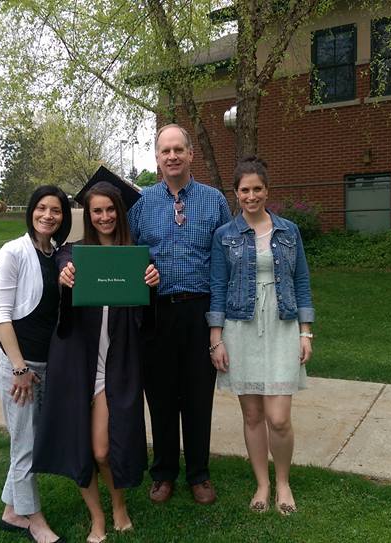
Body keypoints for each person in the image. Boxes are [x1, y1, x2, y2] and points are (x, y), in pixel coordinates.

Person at [33, 181, 159, 543]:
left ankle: (119, 506)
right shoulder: (72, 255)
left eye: (110, 209)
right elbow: (63, 304)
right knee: (79, 445)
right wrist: (65, 280)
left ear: (120, 212)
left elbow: (146, 326)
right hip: (75, 365)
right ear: (88, 216)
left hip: (112, 366)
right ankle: (98, 517)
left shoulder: (137, 258)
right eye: (96, 211)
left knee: (103, 449)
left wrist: (151, 289)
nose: (104, 217)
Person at [129, 124, 232, 505]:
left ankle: (199, 473)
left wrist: (217, 323)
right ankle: (164, 472)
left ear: (191, 154)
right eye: (164, 151)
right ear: (156, 159)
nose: (172, 156)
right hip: (156, 312)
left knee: (197, 394)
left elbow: (223, 265)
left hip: (198, 311)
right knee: (159, 394)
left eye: (178, 149)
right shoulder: (142, 204)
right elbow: (127, 255)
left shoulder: (214, 201)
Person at [206, 157, 314, 516]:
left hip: (281, 323)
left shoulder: (289, 231)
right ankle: (262, 484)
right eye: (244, 190)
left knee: (278, 417)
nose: (250, 195)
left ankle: (283, 482)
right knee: (252, 415)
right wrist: (216, 339)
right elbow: (217, 288)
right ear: (236, 194)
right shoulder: (225, 235)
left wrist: (305, 332)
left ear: (267, 190)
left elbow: (301, 282)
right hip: (241, 327)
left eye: (257, 189)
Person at [0, 185, 71, 543]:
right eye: (42, 208)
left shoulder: (53, 254)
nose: (48, 215)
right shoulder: (14, 251)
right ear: (31, 211)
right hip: (18, 367)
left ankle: (11, 511)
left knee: (30, 441)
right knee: (25, 446)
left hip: (43, 365)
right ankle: (34, 520)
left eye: (55, 210)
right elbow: (2, 317)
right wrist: (19, 368)